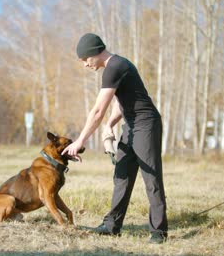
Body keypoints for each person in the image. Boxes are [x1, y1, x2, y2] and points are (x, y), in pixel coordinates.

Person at [62, 33, 168, 244]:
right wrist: (110, 125)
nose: (84, 64)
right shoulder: (116, 66)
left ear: (94, 53)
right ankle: (112, 226)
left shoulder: (115, 67)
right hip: (131, 125)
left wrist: (80, 141)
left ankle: (159, 232)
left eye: (85, 59)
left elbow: (98, 110)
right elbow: (123, 102)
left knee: (151, 178)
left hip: (146, 124)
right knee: (121, 175)